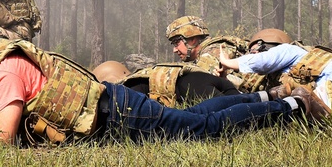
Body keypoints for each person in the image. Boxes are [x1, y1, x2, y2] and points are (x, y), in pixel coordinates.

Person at [0, 6, 326, 145]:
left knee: (201, 130)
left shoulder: (4, 70)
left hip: (118, 111)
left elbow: (2, 136)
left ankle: (292, 106)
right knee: (198, 118)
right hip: (110, 104)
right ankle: (263, 100)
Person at [218, 31, 332, 114]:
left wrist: (228, 62)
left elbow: (262, 62)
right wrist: (225, 78)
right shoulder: (279, 76)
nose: (251, 54)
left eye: (255, 50)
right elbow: (249, 96)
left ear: (268, 45)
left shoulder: (287, 51)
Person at [98, 60, 240, 107]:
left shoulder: (129, 88)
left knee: (236, 117)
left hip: (191, 88)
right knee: (249, 104)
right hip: (201, 79)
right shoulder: (144, 75)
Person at [164, 16, 249, 80]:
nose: (174, 50)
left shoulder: (212, 52)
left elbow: (201, 81)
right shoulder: (210, 49)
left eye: (177, 43)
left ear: (192, 39)